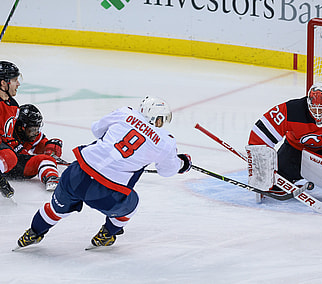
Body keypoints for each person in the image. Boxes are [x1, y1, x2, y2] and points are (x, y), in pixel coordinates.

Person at [15, 96, 192, 249]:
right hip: (106, 192)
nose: (162, 123)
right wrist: (183, 163)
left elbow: (97, 130)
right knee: (132, 203)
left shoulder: (125, 113)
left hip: (77, 173)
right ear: (156, 118)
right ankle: (107, 234)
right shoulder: (165, 141)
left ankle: (34, 232)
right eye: (161, 118)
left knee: (57, 209)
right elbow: (166, 170)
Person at [2, 104, 63, 191]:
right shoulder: (7, 133)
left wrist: (52, 149)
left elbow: (44, 144)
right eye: (33, 130)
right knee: (44, 160)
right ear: (20, 128)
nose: (36, 133)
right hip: (7, 165)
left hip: (14, 162)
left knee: (53, 147)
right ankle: (52, 178)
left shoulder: (27, 134)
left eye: (37, 129)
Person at [0, 61, 21, 198]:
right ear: (3, 83)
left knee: (10, 158)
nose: (18, 84)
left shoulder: (13, 105)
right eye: (14, 80)